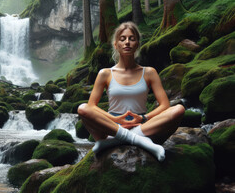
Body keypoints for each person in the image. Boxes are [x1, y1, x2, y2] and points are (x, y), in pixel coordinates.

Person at [77, 22, 185, 161]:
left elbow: (165, 105)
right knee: (82, 108)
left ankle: (117, 141)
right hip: (111, 127)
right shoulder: (105, 73)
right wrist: (115, 119)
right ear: (116, 44)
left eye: (131, 39)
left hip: (143, 126)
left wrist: (143, 118)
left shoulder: (149, 72)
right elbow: (91, 106)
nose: (127, 42)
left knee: (179, 110)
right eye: (122, 39)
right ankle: (138, 140)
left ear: (137, 44)